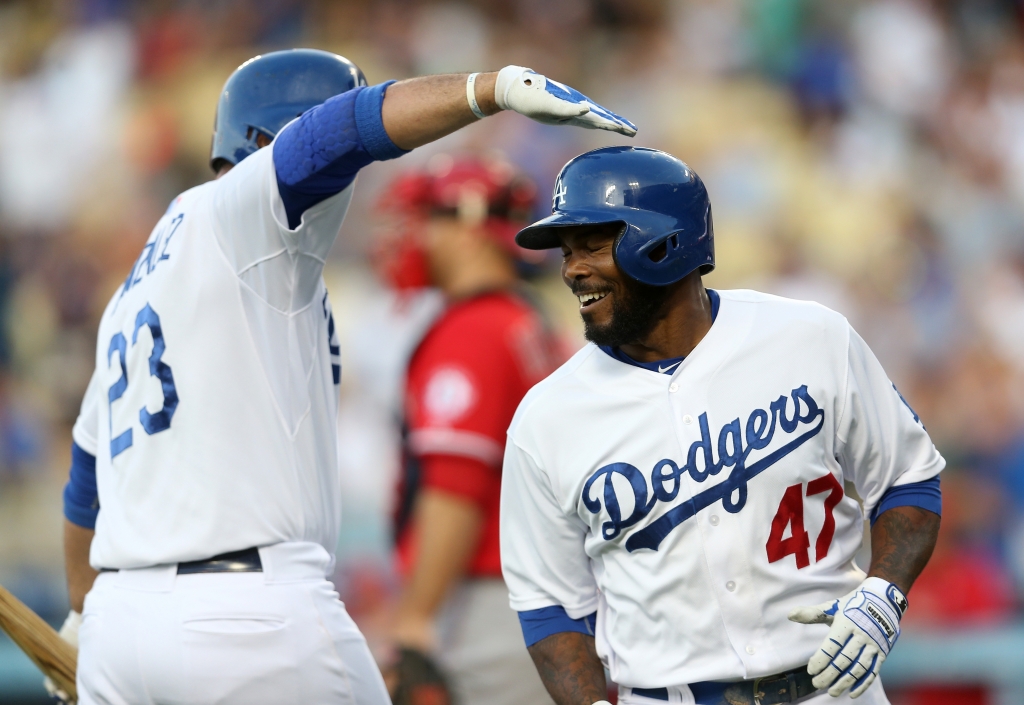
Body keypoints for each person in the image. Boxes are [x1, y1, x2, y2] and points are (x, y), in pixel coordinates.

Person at [55, 50, 635, 705]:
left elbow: (83, 489)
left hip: (120, 628)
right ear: (271, 139)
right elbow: (340, 132)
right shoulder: (242, 213)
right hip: (245, 619)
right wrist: (488, 89)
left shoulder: (134, 288)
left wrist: (83, 615)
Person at [498, 146, 944, 705]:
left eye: (591, 245)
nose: (571, 270)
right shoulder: (547, 416)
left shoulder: (808, 337)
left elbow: (909, 479)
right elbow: (549, 607)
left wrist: (883, 593)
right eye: (566, 252)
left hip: (830, 690)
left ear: (664, 241)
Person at [374, 155, 561, 705]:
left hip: (487, 602)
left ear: (472, 228)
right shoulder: (527, 320)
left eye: (430, 217)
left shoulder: (473, 330)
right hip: (542, 600)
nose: (417, 235)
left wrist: (413, 616)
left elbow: (457, 487)